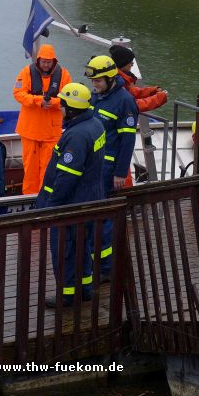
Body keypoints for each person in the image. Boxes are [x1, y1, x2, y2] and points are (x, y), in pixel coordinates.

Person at [36, 83, 105, 307]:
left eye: (63, 104)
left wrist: (52, 205)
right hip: (90, 198)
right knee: (83, 247)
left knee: (65, 251)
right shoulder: (95, 124)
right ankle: (84, 289)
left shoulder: (76, 135)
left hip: (71, 204)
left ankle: (67, 295)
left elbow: (67, 176)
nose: (60, 108)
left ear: (72, 109)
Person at [86, 55, 138, 282]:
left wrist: (120, 172)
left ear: (110, 78)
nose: (94, 85)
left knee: (104, 218)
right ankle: (94, 261)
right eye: (93, 81)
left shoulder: (125, 101)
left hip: (108, 170)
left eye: (98, 81)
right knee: (94, 215)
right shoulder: (97, 97)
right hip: (93, 167)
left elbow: (127, 142)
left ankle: (105, 268)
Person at [13, 44, 73, 195]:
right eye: (43, 61)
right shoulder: (26, 72)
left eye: (49, 61)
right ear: (38, 60)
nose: (46, 64)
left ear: (54, 61)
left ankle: (44, 199)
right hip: (29, 130)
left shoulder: (64, 75)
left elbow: (69, 99)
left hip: (51, 133)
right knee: (30, 169)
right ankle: (29, 198)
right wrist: (38, 101)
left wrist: (52, 102)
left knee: (48, 169)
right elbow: (18, 94)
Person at [108, 45, 168, 112]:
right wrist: (160, 98)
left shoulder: (117, 79)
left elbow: (130, 92)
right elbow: (133, 105)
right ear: (123, 63)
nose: (132, 64)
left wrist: (152, 91)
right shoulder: (116, 82)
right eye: (130, 62)